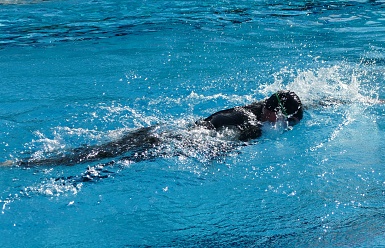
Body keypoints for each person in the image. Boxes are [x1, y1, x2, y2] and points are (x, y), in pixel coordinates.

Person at [2, 90, 303, 168]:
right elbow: (217, 146)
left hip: (166, 129)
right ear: (274, 113)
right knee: (106, 163)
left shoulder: (251, 107)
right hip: (175, 140)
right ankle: (29, 164)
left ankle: (24, 161)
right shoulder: (251, 125)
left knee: (96, 151)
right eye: (284, 121)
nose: (282, 126)